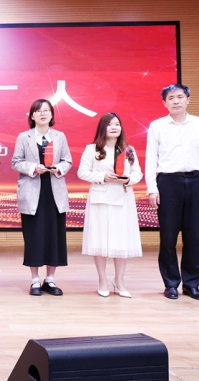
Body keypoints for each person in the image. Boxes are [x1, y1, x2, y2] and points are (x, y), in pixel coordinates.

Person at [145, 84, 199, 301]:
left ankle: (191, 284)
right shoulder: (157, 126)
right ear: (164, 103)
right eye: (171, 98)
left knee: (193, 236)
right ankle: (170, 284)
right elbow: (151, 160)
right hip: (168, 182)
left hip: (196, 181)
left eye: (180, 97)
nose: (176, 101)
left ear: (188, 99)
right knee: (168, 237)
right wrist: (152, 189)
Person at [77, 113, 142, 298]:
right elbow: (82, 172)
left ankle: (119, 281)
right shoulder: (92, 149)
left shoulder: (128, 150)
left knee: (121, 240)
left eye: (117, 124)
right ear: (102, 128)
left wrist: (128, 179)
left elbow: (138, 173)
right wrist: (102, 177)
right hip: (100, 199)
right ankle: (103, 280)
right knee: (100, 240)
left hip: (123, 199)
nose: (114, 127)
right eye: (110, 124)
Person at [11, 99, 72, 296]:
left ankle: (50, 279)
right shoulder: (24, 137)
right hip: (32, 191)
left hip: (54, 192)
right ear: (32, 116)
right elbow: (16, 162)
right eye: (38, 111)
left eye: (46, 110)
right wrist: (32, 168)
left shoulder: (59, 136)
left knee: (54, 236)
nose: (43, 114)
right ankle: (35, 280)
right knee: (34, 236)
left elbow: (67, 161)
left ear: (52, 115)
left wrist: (58, 168)